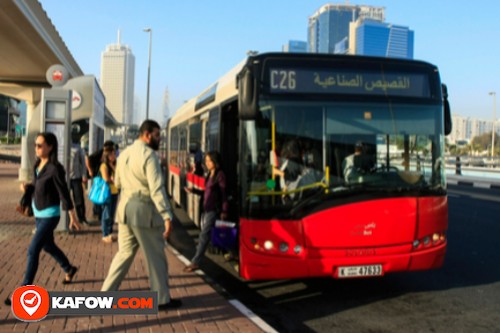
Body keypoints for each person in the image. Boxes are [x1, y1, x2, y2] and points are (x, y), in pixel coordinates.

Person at [101, 120, 181, 310]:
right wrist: (167, 215)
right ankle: (162, 299)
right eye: (157, 134)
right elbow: (156, 189)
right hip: (144, 211)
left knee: (124, 253)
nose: (159, 139)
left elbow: (118, 183)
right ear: (146, 134)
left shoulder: (124, 154)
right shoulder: (149, 156)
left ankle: (106, 293)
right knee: (155, 257)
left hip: (125, 209)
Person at [5, 132, 82, 306]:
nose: (37, 148)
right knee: (48, 245)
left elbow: (64, 194)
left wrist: (72, 216)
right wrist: (28, 187)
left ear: (50, 147)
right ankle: (69, 268)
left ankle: (24, 291)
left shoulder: (55, 168)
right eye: (36, 145)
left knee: (33, 249)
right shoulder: (38, 164)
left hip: (50, 215)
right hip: (38, 213)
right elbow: (37, 184)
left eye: (40, 145)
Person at [184, 151, 229, 272]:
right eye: (206, 161)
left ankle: (195, 262)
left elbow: (224, 194)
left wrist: (224, 210)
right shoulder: (210, 174)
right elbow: (206, 193)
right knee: (209, 235)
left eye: (209, 161)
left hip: (213, 210)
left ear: (215, 161)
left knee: (204, 236)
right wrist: (193, 190)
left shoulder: (220, 175)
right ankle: (228, 252)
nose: (207, 163)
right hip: (206, 209)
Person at [99, 145, 119, 243]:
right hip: (107, 192)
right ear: (107, 156)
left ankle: (110, 232)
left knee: (112, 213)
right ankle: (105, 234)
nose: (114, 156)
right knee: (106, 213)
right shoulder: (104, 166)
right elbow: (106, 178)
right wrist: (114, 180)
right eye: (112, 154)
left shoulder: (115, 164)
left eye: (114, 154)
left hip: (115, 191)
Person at [70, 133, 88, 225]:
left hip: (76, 177)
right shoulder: (60, 148)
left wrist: (84, 175)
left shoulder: (77, 148)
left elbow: (83, 163)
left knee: (79, 199)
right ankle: (68, 220)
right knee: (64, 200)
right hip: (64, 178)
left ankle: (82, 218)